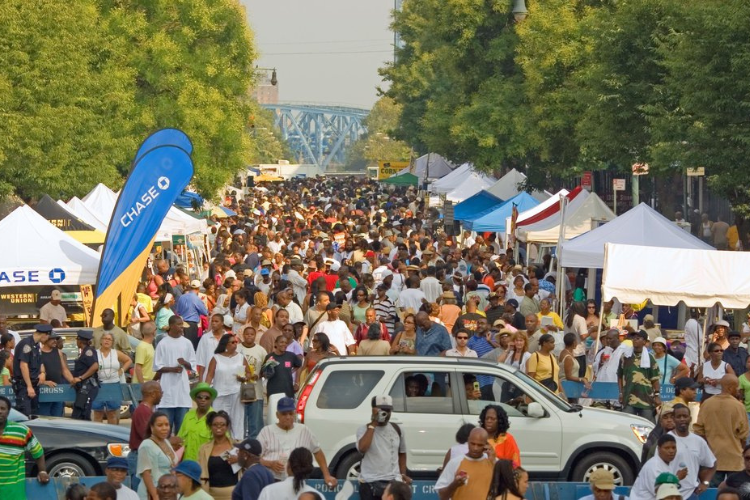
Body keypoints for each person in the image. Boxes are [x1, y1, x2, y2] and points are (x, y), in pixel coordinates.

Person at [257, 397, 337, 487]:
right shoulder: (266, 431)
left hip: (297, 481)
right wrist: (270, 464)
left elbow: (317, 451)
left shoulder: (303, 430)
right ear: (277, 415)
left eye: (291, 413)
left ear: (294, 414)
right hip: (272, 479)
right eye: (284, 414)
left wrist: (327, 475)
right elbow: (255, 458)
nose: (288, 417)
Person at [694, 375, 749, 486]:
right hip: (735, 459)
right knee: (736, 492)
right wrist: (739, 448)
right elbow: (744, 435)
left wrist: (708, 446)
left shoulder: (707, 404)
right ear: (729, 388)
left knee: (712, 494)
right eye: (736, 387)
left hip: (712, 458)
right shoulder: (739, 406)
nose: (738, 390)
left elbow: (699, 430)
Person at [356, 395, 410, 500]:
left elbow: (402, 453)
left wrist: (403, 473)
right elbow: (362, 448)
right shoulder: (363, 429)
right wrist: (374, 423)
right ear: (373, 410)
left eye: (388, 411)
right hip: (370, 483)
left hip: (393, 482)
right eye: (382, 410)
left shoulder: (397, 429)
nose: (385, 414)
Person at [154, 315, 196, 435]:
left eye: (182, 324)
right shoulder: (163, 343)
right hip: (167, 394)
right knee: (164, 431)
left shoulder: (187, 343)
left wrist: (185, 363)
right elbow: (157, 366)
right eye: (179, 324)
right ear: (171, 326)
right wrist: (172, 369)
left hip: (182, 394)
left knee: (181, 431)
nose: (181, 327)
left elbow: (193, 366)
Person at [0, 395, 49, 498]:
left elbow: (38, 452)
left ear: (8, 412)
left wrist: (42, 471)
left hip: (13, 493)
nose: (0, 411)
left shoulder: (21, 431)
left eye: (2, 408)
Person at [205, 334, 251, 440]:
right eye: (232, 342)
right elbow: (210, 375)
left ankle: (236, 445)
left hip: (236, 394)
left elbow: (248, 373)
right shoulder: (216, 358)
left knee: (237, 420)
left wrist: (244, 378)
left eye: (236, 342)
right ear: (226, 344)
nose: (235, 344)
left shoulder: (240, 357)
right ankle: (218, 443)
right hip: (219, 394)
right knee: (218, 421)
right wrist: (205, 390)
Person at [671, 403, 717, 499]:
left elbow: (713, 464)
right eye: (679, 416)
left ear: (690, 419)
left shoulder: (698, 441)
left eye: (685, 416)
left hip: (691, 494)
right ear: (673, 419)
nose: (682, 419)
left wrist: (705, 483)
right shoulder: (667, 439)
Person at [435, 427, 495, 500]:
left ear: (486, 445)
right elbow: (442, 496)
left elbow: (506, 489)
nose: (475, 448)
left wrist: (493, 462)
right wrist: (454, 484)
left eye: (479, 445)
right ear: (468, 440)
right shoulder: (455, 462)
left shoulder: (492, 462)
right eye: (472, 444)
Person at [618, 330, 660, 422]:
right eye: (633, 338)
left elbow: (655, 379)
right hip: (628, 399)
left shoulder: (650, 358)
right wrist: (621, 393)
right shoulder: (625, 356)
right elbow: (620, 376)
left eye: (637, 338)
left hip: (646, 400)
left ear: (644, 341)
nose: (634, 340)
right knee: (626, 426)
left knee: (648, 427)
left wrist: (657, 395)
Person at [129, 381, 163, 492]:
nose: (162, 394)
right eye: (160, 392)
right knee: (140, 491)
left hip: (143, 456)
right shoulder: (143, 411)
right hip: (139, 456)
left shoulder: (146, 410)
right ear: (153, 394)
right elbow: (147, 436)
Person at [93, 332, 132, 425]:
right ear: (101, 341)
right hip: (99, 385)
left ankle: (111, 436)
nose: (107, 340)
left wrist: (121, 370)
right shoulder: (95, 353)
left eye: (109, 339)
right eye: (105, 338)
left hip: (114, 385)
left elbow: (128, 360)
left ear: (112, 342)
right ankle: (98, 437)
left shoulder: (116, 353)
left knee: (112, 413)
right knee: (98, 413)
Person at [137, 411, 177, 500]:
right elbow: (145, 473)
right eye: (160, 425)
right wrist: (155, 496)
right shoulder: (146, 445)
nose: (164, 428)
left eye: (167, 425)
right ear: (152, 427)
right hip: (153, 492)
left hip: (167, 491)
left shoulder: (166, 441)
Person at [198, 411, 238, 499]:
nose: (218, 427)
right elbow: (200, 471)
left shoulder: (237, 445)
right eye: (215, 424)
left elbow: (254, 460)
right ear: (210, 427)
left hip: (233, 494)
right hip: (209, 495)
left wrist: (240, 459)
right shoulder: (204, 448)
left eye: (222, 424)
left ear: (227, 427)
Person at [12, 323, 51, 415]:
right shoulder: (26, 344)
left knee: (34, 415)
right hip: (24, 386)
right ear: (44, 334)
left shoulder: (36, 345)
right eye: (48, 336)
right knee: (26, 415)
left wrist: (42, 373)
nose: (47, 339)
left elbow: (40, 362)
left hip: (34, 385)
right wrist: (29, 386)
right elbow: (23, 365)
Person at [631, 434, 684, 499]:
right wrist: (677, 478)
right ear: (659, 449)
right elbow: (661, 491)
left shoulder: (666, 462)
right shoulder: (654, 466)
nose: (671, 451)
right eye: (667, 448)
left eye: (673, 447)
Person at [236, 326, 266, 439]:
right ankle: (241, 442)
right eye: (247, 334)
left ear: (255, 336)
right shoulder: (237, 348)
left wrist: (258, 375)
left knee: (255, 421)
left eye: (252, 334)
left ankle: (255, 444)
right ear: (243, 335)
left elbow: (265, 368)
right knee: (240, 420)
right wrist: (241, 376)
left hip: (256, 391)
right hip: (240, 390)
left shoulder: (261, 350)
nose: (249, 336)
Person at [178, 383, 217, 462]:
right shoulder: (188, 416)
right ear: (195, 399)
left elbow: (223, 443)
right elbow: (180, 439)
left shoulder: (216, 418)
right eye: (200, 397)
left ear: (211, 400)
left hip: (205, 466)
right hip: (187, 464)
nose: (203, 400)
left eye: (207, 398)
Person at [38, 331, 74, 417]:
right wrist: (45, 382)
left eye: (56, 339)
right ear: (45, 340)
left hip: (58, 389)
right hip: (44, 391)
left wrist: (72, 381)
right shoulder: (38, 353)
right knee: (44, 418)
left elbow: (64, 370)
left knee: (58, 418)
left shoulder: (58, 352)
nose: (55, 341)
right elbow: (34, 373)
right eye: (52, 339)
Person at [71, 329, 100, 420]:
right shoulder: (84, 351)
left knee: (82, 413)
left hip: (87, 386)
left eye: (77, 340)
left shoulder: (88, 351)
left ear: (80, 341)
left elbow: (95, 366)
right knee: (80, 411)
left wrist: (81, 377)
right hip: (83, 387)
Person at [174, 280, 209, 350]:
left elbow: (178, 311)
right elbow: (205, 312)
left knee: (183, 345)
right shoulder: (196, 299)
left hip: (182, 323)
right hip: (191, 325)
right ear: (198, 289)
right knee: (192, 346)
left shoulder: (182, 297)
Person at [559, 333, 591, 402]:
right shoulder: (568, 358)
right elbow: (568, 376)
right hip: (568, 387)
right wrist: (582, 379)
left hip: (570, 386)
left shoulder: (565, 352)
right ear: (574, 343)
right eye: (576, 341)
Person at [197, 314, 229, 382]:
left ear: (222, 323)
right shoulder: (205, 338)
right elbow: (201, 360)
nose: (214, 323)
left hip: (225, 378)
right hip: (208, 378)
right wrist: (200, 381)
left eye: (216, 321)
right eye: (212, 321)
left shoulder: (228, 338)